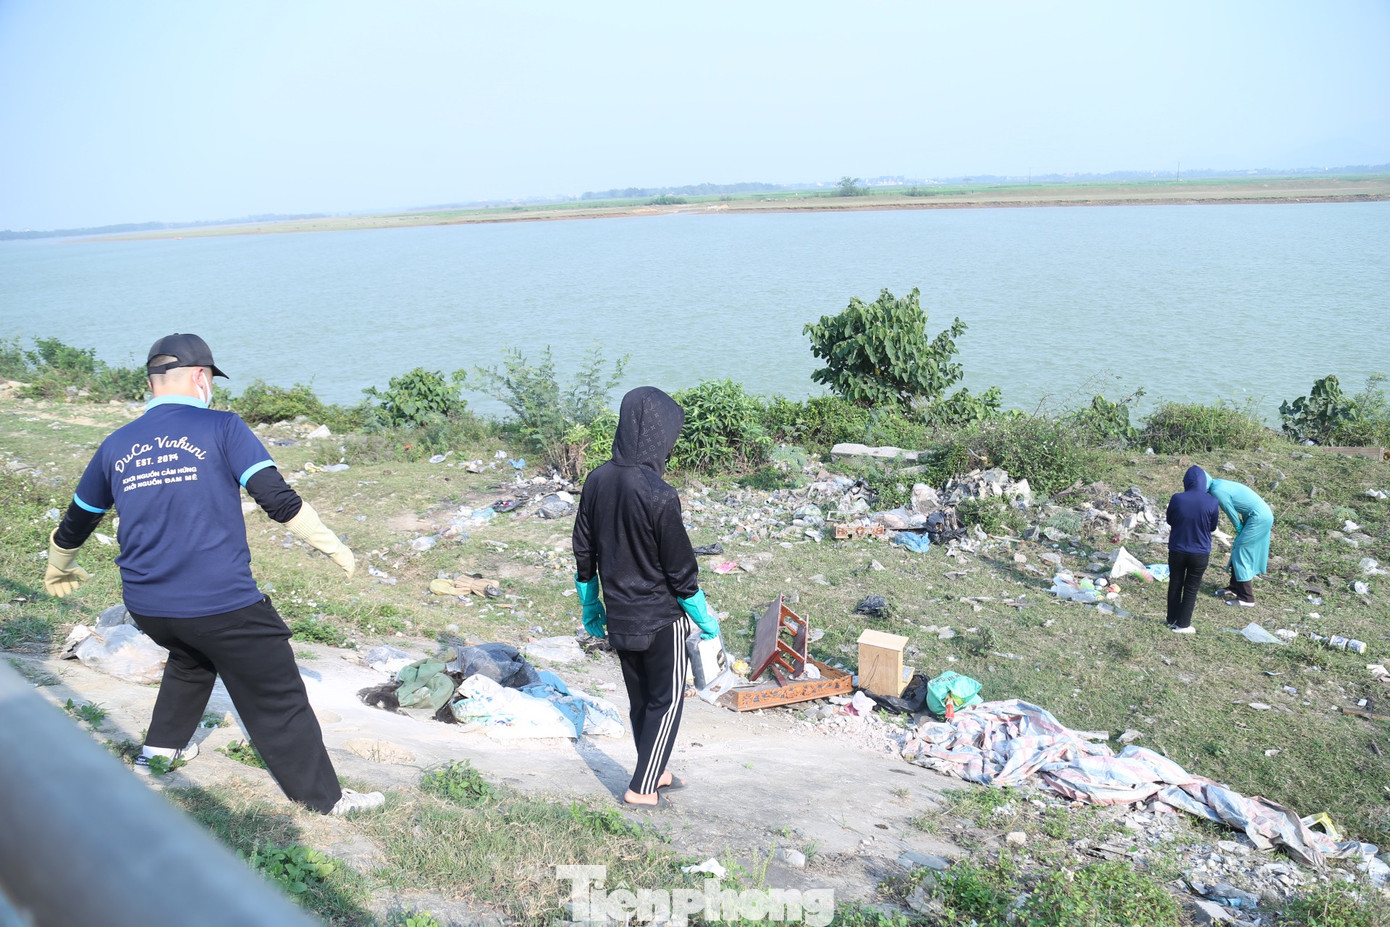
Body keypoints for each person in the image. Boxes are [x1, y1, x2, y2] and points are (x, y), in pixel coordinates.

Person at [43, 333, 383, 815]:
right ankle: (324, 801)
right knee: (277, 694)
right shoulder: (222, 428)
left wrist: (60, 566)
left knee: (190, 656)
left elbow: (79, 518)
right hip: (222, 604)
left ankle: (162, 752)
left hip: (149, 607)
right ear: (202, 378)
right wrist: (334, 546)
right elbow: (278, 499)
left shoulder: (115, 445)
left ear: (153, 381)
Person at [572, 387, 720, 809]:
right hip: (660, 618)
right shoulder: (659, 493)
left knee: (641, 699)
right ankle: (642, 788)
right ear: (661, 435)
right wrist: (703, 615)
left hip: (618, 614)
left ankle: (653, 768)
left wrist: (590, 602)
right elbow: (680, 568)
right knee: (667, 699)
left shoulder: (597, 479)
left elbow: (584, 548)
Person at [1203, 469, 1275, 607]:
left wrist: (1238, 527)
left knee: (1242, 551)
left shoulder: (1217, 490)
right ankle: (1234, 587)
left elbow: (1230, 510)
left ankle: (1247, 598)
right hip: (1257, 516)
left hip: (1259, 518)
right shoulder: (1217, 483)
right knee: (1237, 548)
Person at [1164, 465, 1220, 633]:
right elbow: (1212, 527)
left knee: (1175, 583)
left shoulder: (1177, 498)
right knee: (1191, 588)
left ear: (1186, 482)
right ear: (1204, 482)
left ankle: (1171, 619)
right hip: (1200, 552)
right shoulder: (1212, 501)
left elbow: (1169, 520)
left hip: (1177, 549)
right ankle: (1183, 625)